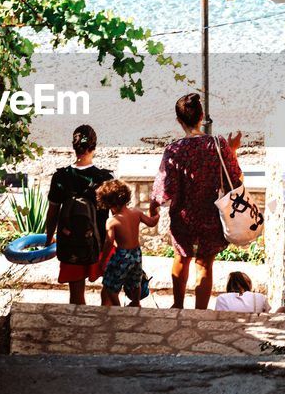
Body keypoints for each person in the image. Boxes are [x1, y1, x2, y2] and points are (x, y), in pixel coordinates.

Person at [151, 93, 242, 309]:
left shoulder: (174, 150)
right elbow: (235, 177)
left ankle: (178, 305)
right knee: (205, 264)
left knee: (181, 258)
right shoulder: (218, 144)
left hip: (183, 216)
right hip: (210, 214)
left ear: (179, 120)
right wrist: (233, 151)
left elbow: (165, 188)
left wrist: (154, 204)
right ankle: (200, 312)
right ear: (201, 116)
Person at [44, 125, 114, 305]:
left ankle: (79, 329)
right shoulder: (105, 178)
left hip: (71, 243)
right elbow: (117, 213)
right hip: (100, 243)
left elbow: (53, 213)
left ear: (74, 146)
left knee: (76, 297)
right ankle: (104, 325)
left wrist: (49, 237)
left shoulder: (60, 177)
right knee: (109, 290)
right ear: (94, 147)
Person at [97, 179, 159, 307]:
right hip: (136, 253)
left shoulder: (112, 221)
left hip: (122, 256)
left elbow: (109, 242)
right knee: (135, 281)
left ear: (109, 204)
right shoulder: (136, 213)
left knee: (110, 286)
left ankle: (118, 307)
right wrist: (156, 214)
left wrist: (103, 261)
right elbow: (152, 222)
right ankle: (136, 303)